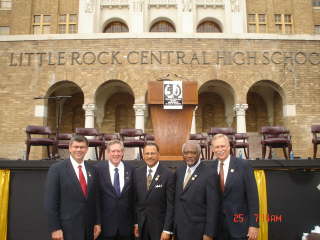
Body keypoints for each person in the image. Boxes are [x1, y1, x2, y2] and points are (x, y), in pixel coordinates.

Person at [44, 135, 101, 240]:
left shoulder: (92, 170)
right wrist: (55, 228)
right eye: (75, 147)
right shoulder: (57, 169)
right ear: (70, 148)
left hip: (88, 229)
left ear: (87, 149)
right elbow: (50, 202)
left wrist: (97, 223)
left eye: (82, 147)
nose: (79, 150)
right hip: (67, 230)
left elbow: (95, 199)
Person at [211, 134, 259, 240]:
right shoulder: (210, 168)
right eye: (217, 147)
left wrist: (254, 225)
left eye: (223, 146)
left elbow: (253, 198)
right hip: (217, 230)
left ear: (229, 147)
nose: (220, 150)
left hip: (240, 228)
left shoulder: (244, 166)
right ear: (213, 149)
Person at [174, 141, 220, 240]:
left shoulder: (210, 173)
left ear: (199, 154)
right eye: (186, 153)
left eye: (193, 152)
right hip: (180, 230)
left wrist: (209, 233)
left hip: (198, 231)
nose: (189, 155)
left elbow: (213, 206)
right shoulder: (179, 171)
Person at [133, 142, 175, 240]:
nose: (150, 156)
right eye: (147, 153)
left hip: (159, 228)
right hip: (141, 227)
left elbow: (171, 205)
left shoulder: (168, 174)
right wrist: (136, 223)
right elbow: (135, 201)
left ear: (158, 155)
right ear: (143, 155)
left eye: (153, 153)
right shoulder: (137, 173)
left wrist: (167, 229)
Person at [95, 140, 134, 240]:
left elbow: (135, 198)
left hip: (127, 227)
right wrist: (97, 222)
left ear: (122, 153)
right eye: (113, 151)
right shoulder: (97, 170)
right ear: (108, 153)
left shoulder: (132, 170)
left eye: (119, 151)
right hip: (105, 227)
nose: (116, 154)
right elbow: (95, 199)